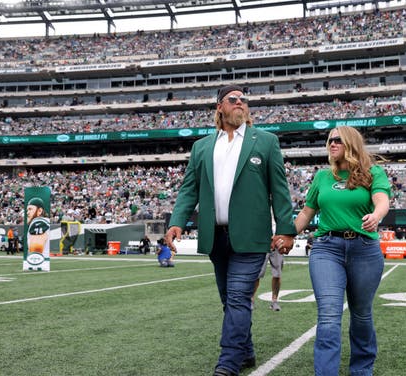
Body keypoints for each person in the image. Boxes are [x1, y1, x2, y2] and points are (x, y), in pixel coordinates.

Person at [165, 85, 296, 376]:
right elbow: (189, 190)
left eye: (243, 99)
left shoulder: (265, 142)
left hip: (251, 237)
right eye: (232, 99)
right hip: (215, 237)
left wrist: (287, 230)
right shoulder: (201, 147)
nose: (240, 103)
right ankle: (246, 351)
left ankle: (228, 363)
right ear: (220, 108)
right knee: (229, 300)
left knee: (238, 297)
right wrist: (176, 222)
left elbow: (280, 190)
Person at [292, 126, 391, 376]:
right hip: (326, 249)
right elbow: (306, 212)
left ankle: (361, 370)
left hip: (365, 250)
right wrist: (285, 234)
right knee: (328, 316)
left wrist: (376, 215)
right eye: (329, 141)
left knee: (361, 315)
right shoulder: (322, 177)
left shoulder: (372, 172)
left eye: (338, 140)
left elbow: (382, 200)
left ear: (351, 144)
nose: (332, 144)